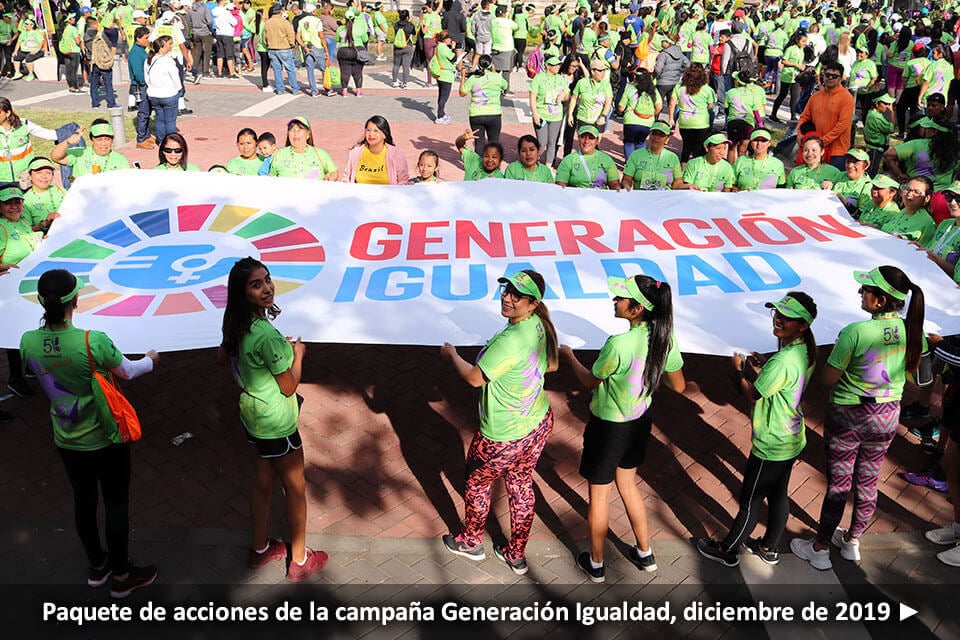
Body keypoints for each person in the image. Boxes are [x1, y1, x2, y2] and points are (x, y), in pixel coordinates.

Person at [20, 268, 159, 598]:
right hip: (105, 438)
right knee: (115, 504)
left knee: (83, 501)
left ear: (40, 301)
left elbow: (33, 371)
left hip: (66, 440)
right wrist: (152, 359)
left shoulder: (27, 341)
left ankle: (98, 566)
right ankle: (123, 575)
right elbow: (128, 370)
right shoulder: (91, 340)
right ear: (76, 300)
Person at [792, 266, 924, 570]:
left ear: (879, 301)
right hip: (888, 415)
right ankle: (852, 541)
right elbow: (916, 366)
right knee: (868, 480)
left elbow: (828, 379)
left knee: (839, 483)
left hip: (850, 414)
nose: (860, 293)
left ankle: (821, 547)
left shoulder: (855, 332)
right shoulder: (911, 328)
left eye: (865, 289)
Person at [561, 275, 685, 581]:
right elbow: (678, 385)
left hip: (608, 428)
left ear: (637, 308)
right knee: (628, 485)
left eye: (620, 298)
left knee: (599, 496)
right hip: (639, 423)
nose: (615, 301)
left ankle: (597, 564)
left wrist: (570, 357)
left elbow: (590, 380)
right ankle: (645, 553)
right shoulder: (665, 338)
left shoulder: (618, 344)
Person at [439, 270, 558, 575]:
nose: (507, 297)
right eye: (506, 290)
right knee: (520, 485)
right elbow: (552, 365)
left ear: (533, 303)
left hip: (502, 435)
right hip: (537, 423)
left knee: (477, 484)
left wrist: (451, 354)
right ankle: (515, 554)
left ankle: (470, 542)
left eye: (516, 295)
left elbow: (474, 378)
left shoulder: (511, 339)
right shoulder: (540, 326)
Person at [219, 257, 328, 582]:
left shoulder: (235, 323)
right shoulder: (266, 336)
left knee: (264, 481)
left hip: (252, 417)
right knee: (295, 489)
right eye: (256, 284)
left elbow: (220, 356)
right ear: (243, 293)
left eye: (267, 280)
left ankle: (260, 547)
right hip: (277, 424)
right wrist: (297, 354)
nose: (267, 288)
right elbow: (289, 385)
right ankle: (299, 560)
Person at [697, 293, 818, 567]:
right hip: (791, 437)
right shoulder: (803, 352)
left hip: (771, 443)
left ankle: (728, 550)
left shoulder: (784, 360)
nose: (778, 319)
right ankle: (769, 547)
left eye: (786, 318)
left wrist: (739, 372)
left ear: (803, 325)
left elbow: (753, 394)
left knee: (750, 501)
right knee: (778, 494)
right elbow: (781, 381)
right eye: (777, 313)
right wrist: (764, 366)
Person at [0, 97, 57, 183]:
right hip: (2, 180)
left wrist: (70, 132)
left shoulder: (24, 125)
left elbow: (49, 134)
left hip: (24, 178)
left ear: (8, 113)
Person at [51, 120, 131, 181]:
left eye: (107, 139)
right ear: (92, 139)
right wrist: (67, 142)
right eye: (99, 139)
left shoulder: (121, 160)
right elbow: (56, 157)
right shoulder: (80, 153)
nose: (104, 143)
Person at [341, 115, 409, 184]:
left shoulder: (396, 154)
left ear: (385, 135)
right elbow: (346, 178)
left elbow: (403, 181)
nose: (371, 134)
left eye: (376, 131)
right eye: (368, 130)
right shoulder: (356, 152)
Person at [668, 63, 714, 163]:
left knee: (686, 147)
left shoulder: (679, 87)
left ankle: (683, 171)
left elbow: (672, 103)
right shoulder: (707, 89)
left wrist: (671, 118)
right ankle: (696, 171)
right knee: (699, 150)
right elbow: (710, 106)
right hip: (701, 123)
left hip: (685, 123)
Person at [460, 54, 508, 152]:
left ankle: (478, 166)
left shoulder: (473, 78)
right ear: (491, 65)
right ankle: (493, 166)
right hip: (494, 114)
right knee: (493, 142)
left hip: (476, 114)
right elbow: (505, 86)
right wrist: (494, 72)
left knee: (479, 142)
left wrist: (463, 77)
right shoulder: (497, 77)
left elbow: (462, 93)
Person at [269, 116, 338, 180]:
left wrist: (329, 180)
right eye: (292, 130)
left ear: (308, 134)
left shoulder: (320, 154)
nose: (295, 133)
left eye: (299, 130)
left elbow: (334, 172)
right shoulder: (278, 155)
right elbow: (272, 178)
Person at [529, 54, 568, 167]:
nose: (557, 67)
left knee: (552, 142)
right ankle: (534, 162)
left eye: (558, 65)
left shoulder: (561, 79)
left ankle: (548, 166)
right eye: (554, 65)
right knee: (541, 143)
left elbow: (567, 95)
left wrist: (564, 96)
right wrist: (535, 114)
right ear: (547, 65)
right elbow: (532, 98)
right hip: (542, 115)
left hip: (556, 116)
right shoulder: (538, 79)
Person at [621, 121, 681, 191]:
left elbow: (678, 182)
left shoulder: (673, 158)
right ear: (649, 135)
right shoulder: (636, 155)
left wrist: (690, 187)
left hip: (664, 199)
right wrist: (626, 186)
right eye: (654, 133)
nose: (656, 137)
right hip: (641, 198)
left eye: (661, 135)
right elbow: (627, 178)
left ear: (667, 139)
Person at [556, 124, 620, 190]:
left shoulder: (606, 159)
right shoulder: (568, 160)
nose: (586, 141)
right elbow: (560, 187)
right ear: (578, 138)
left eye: (591, 138)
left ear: (597, 141)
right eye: (583, 137)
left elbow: (614, 184)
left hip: (600, 198)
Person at [145, 35, 183, 143]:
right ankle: (171, 141)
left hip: (153, 94)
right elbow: (175, 77)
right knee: (170, 121)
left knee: (159, 119)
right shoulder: (167, 60)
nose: (171, 46)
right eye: (169, 44)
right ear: (161, 47)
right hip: (168, 94)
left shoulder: (149, 60)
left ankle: (161, 141)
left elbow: (147, 78)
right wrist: (179, 90)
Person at [878, 177, 936, 246]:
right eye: (908, 189)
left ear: (927, 198)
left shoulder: (927, 224)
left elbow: (926, 251)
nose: (909, 194)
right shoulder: (901, 212)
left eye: (916, 192)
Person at [618, 69, 661, 161]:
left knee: (628, 143)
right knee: (641, 142)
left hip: (630, 121)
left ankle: (629, 165)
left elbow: (621, 108)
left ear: (635, 77)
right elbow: (659, 107)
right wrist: (652, 114)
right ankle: (640, 164)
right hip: (647, 123)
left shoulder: (630, 89)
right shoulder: (653, 90)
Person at [568, 58, 613, 135]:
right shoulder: (582, 82)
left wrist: (603, 116)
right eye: (599, 70)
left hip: (599, 120)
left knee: (595, 144)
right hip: (583, 119)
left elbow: (608, 102)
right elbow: (574, 98)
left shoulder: (606, 84)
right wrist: (570, 114)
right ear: (592, 71)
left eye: (604, 70)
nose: (603, 73)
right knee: (584, 144)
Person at [769, 31, 806, 123]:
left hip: (796, 76)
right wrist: (796, 65)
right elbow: (784, 61)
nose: (804, 44)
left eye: (805, 42)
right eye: (803, 41)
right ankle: (773, 114)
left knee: (795, 96)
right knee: (782, 95)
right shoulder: (790, 49)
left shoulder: (801, 50)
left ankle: (793, 116)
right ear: (797, 40)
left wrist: (802, 66)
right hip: (787, 75)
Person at [263, 3, 300, 95]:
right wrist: (292, 44)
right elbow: (291, 34)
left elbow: (264, 37)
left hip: (272, 48)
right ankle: (295, 88)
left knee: (277, 69)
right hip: (284, 48)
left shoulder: (267, 23)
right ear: (280, 12)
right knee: (290, 69)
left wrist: (268, 44)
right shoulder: (284, 22)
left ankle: (280, 89)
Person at [23, 157, 64, 235]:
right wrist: (45, 223)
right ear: (30, 175)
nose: (44, 176)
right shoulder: (25, 201)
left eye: (48, 173)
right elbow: (26, 231)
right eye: (39, 172)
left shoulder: (60, 190)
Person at [128, 27, 154, 150]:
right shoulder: (135, 52)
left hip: (144, 84)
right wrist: (146, 82)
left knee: (147, 111)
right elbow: (138, 73)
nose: (148, 40)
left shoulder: (142, 50)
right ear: (138, 39)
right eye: (146, 38)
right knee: (143, 112)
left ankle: (147, 134)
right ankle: (141, 138)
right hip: (140, 85)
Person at [335, 7, 368, 97]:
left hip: (343, 51)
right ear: (354, 18)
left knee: (344, 72)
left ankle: (344, 92)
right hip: (357, 50)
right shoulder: (359, 27)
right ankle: (358, 91)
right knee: (358, 72)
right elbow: (365, 39)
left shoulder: (340, 29)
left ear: (345, 18)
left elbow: (337, 39)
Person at [432, 30, 457, 125]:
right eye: (449, 39)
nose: (451, 40)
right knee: (444, 97)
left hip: (441, 74)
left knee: (441, 95)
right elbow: (453, 58)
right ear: (445, 39)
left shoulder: (439, 47)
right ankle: (439, 116)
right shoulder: (444, 48)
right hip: (446, 75)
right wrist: (453, 48)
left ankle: (441, 114)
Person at [391, 10, 416, 89]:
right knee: (406, 66)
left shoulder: (396, 24)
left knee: (396, 65)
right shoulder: (410, 25)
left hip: (397, 47)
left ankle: (394, 82)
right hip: (407, 46)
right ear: (407, 17)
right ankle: (405, 84)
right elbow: (414, 33)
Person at [60, 13, 84, 92]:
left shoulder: (65, 29)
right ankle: (76, 87)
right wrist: (81, 42)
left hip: (66, 51)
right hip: (74, 50)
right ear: (68, 20)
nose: (74, 19)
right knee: (74, 70)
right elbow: (77, 41)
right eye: (72, 18)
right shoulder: (73, 29)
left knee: (68, 69)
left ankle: (70, 86)